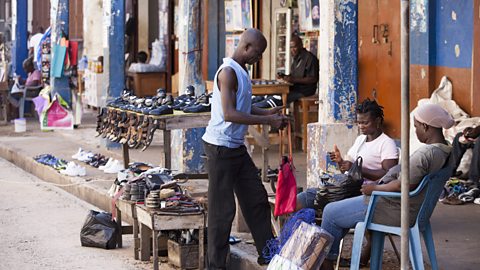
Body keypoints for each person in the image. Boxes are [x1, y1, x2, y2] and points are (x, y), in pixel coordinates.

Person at [319, 103, 455, 270]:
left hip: (392, 208)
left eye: (416, 127)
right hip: (410, 208)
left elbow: (402, 186)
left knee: (330, 212)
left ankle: (326, 263)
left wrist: (374, 189)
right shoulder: (445, 150)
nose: (415, 131)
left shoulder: (426, 154)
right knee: (339, 209)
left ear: (425, 127)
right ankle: (337, 259)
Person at [202, 28, 289, 269]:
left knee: (256, 198)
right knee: (222, 212)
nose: (258, 58)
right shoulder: (228, 72)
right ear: (246, 47)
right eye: (257, 53)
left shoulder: (241, 72)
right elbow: (230, 114)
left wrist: (269, 113)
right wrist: (267, 122)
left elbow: (245, 106)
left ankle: (268, 253)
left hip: (235, 148)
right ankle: (215, 265)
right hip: (220, 149)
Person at [296, 99, 399, 210]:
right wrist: (341, 162)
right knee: (306, 196)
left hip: (364, 192)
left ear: (377, 121)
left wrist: (357, 168)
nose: (361, 126)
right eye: (359, 122)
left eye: (365, 122)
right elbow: (347, 171)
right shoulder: (360, 140)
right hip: (349, 188)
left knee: (310, 198)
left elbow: (389, 175)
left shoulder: (386, 143)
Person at [277, 35, 319, 103]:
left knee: (279, 99)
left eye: (294, 47)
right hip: (295, 89)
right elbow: (293, 76)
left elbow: (313, 79)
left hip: (305, 91)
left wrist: (293, 79)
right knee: (276, 95)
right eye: (291, 47)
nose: (292, 50)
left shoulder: (310, 58)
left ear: (301, 46)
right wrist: (284, 76)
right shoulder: (296, 58)